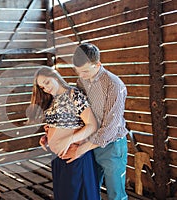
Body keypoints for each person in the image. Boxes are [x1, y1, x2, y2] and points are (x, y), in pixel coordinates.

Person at [60, 43, 129, 200]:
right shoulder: (82, 81)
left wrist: (82, 149)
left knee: (116, 195)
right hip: (89, 144)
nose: (81, 75)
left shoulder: (114, 85)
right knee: (91, 190)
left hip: (112, 146)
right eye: (78, 71)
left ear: (98, 64)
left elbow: (110, 127)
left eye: (85, 71)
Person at [29, 66, 100, 200]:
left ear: (55, 76)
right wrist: (47, 137)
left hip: (75, 157)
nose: (46, 88)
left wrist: (69, 140)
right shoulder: (52, 100)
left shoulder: (74, 94)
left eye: (47, 82)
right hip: (58, 159)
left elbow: (92, 125)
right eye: (42, 87)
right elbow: (61, 126)